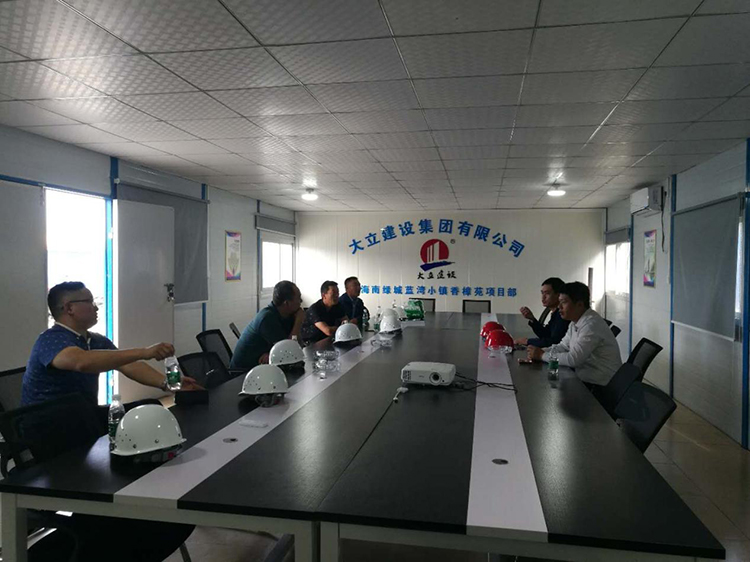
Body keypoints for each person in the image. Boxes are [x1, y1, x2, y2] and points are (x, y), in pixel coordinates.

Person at [22, 281, 201, 407]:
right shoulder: (50, 339)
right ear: (69, 308)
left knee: (151, 406)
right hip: (46, 425)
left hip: (82, 418)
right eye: (89, 302)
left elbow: (130, 366)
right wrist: (145, 352)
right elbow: (81, 362)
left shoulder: (96, 340)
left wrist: (167, 384)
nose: (96, 307)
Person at [527, 282, 622, 386]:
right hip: (584, 377)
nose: (559, 307)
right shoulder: (575, 321)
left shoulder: (591, 325)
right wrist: (540, 351)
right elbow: (563, 346)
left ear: (579, 304)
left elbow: (573, 359)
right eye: (559, 302)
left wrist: (541, 355)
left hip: (600, 386)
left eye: (563, 302)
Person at [230, 280, 305, 370]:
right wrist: (298, 322)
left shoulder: (289, 315)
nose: (301, 301)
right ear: (287, 303)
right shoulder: (267, 318)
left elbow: (297, 346)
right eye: (298, 298)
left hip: (263, 367)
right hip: (244, 372)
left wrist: (272, 353)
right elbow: (288, 351)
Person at [515, 277, 569, 347]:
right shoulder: (556, 313)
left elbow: (554, 341)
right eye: (542, 293)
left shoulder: (564, 314)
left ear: (558, 295)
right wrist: (532, 319)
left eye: (547, 293)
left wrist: (527, 341)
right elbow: (546, 334)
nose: (543, 297)